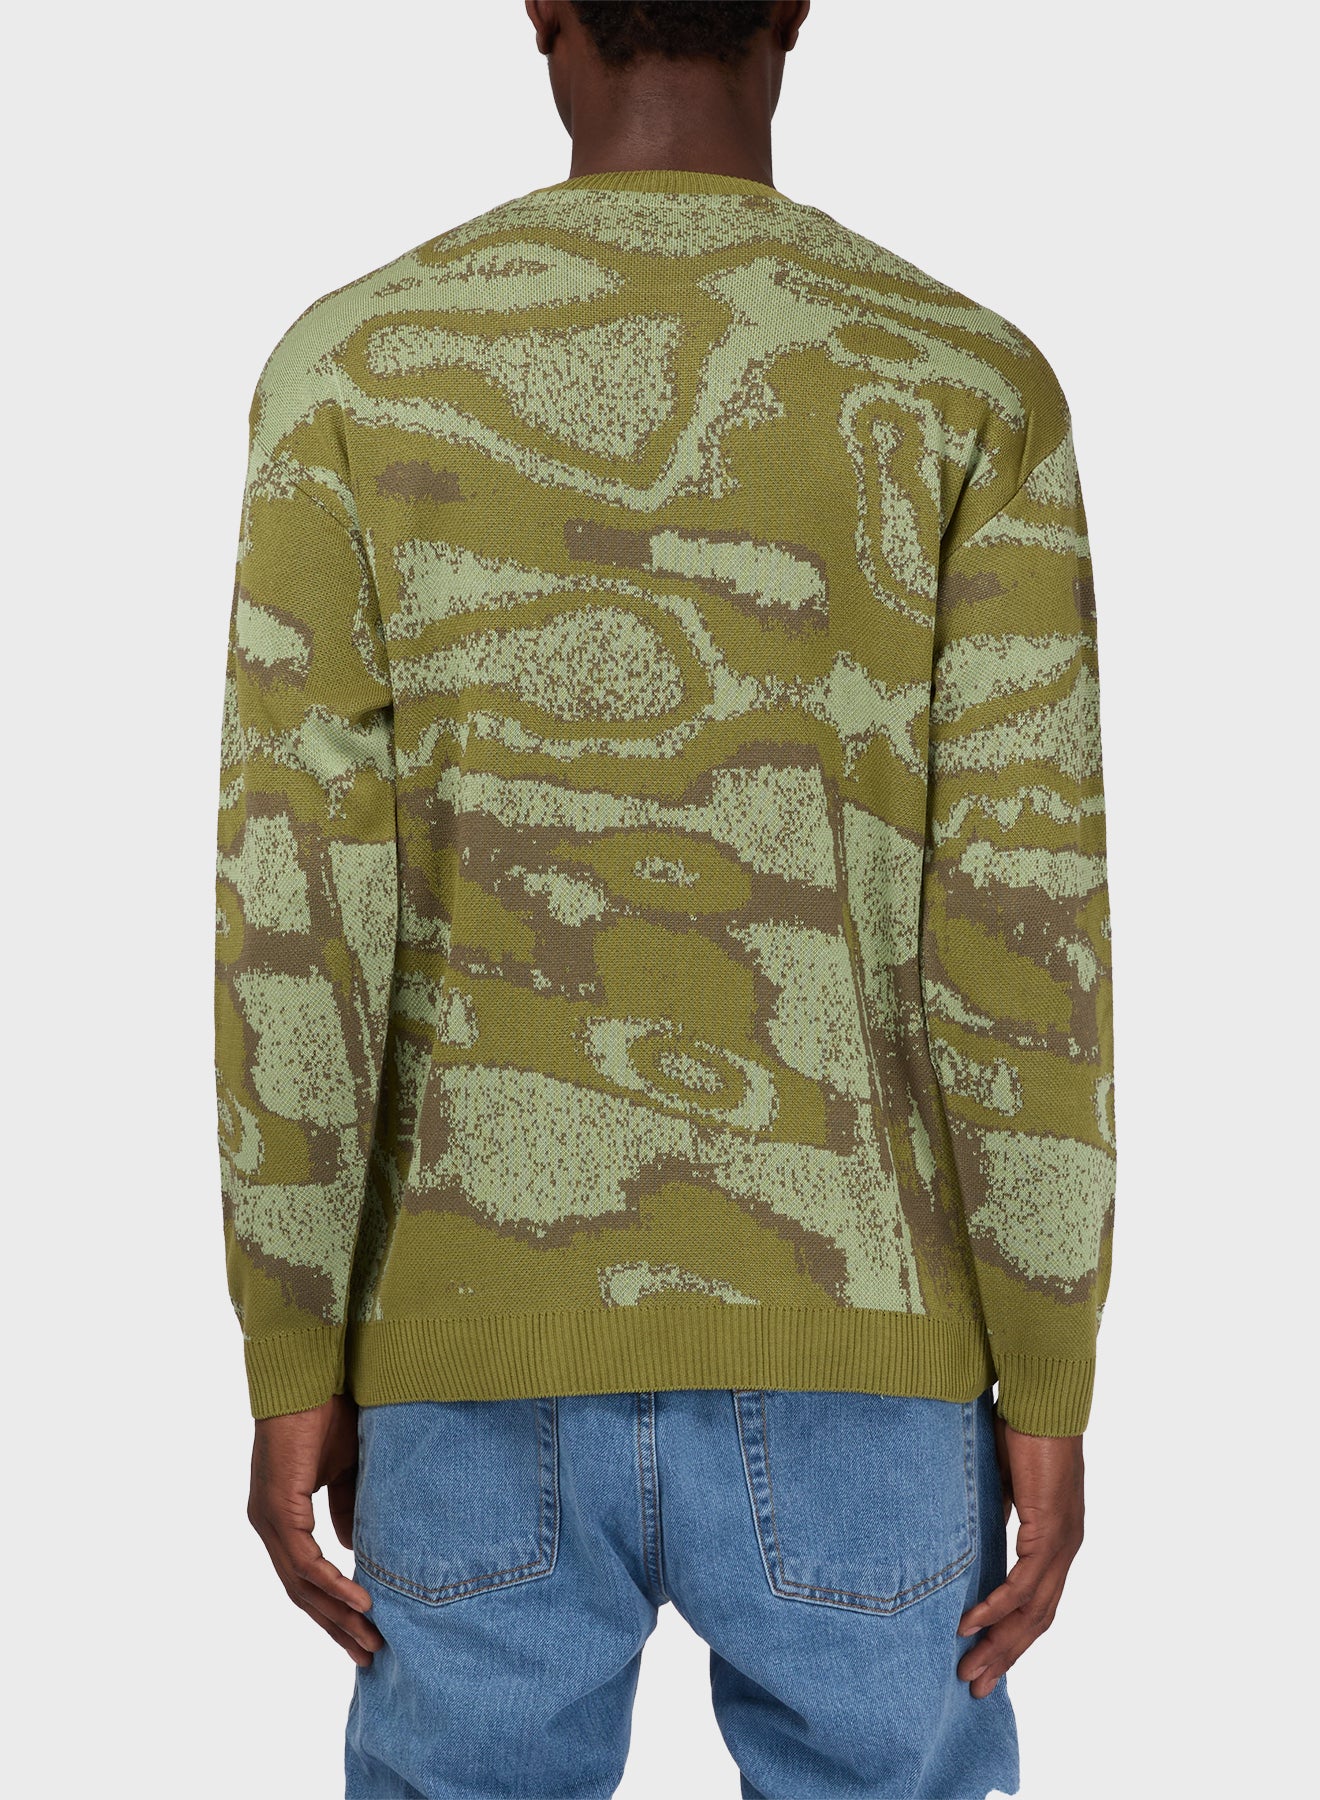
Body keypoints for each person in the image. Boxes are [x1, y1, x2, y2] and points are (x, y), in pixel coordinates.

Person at [213, 3, 1116, 1794]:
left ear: (540, 7)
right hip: (872, 1360)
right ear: (796, 7)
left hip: (464, 1350)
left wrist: (291, 1340)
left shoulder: (355, 372)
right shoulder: (959, 380)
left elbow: (293, 902)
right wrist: (1050, 1367)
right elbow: (1025, 927)